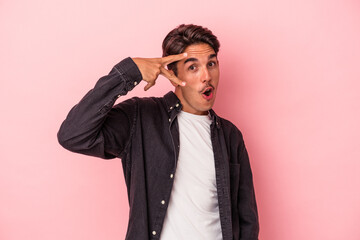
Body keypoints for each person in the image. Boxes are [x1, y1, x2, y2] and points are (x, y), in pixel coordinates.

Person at [57, 24, 259, 240]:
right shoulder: (141, 117)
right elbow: (73, 134)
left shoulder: (230, 136)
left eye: (211, 64)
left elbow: (246, 219)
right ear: (172, 73)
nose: (206, 76)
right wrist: (129, 72)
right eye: (193, 67)